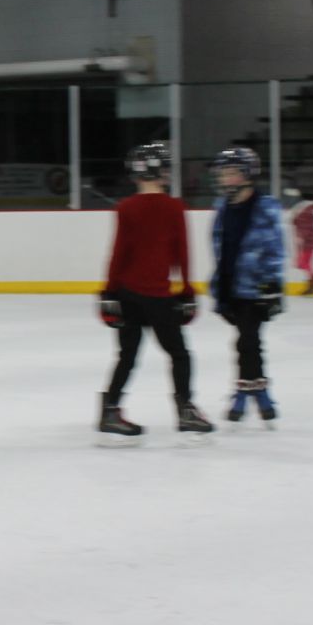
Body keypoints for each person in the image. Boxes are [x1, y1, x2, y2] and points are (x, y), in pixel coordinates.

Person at [95, 141, 211, 442]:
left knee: (127, 355)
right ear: (160, 172)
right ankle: (185, 409)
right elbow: (181, 254)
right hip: (158, 296)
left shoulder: (125, 208)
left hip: (126, 294)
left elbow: (118, 253)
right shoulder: (174, 207)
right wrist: (186, 290)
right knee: (179, 354)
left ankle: (110, 410)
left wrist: (108, 292)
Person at [209, 146, 285, 426]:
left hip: (257, 288)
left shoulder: (266, 206)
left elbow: (276, 248)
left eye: (233, 173)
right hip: (230, 286)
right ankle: (256, 388)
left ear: (248, 175)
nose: (227, 179)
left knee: (247, 341)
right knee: (247, 342)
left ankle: (250, 392)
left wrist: (272, 286)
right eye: (224, 173)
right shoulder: (222, 206)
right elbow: (219, 246)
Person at [282, 185, 313, 295]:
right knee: (302, 263)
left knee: (303, 263)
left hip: (308, 242)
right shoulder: (303, 209)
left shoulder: (306, 210)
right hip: (306, 241)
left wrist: (302, 237)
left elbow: (306, 226)